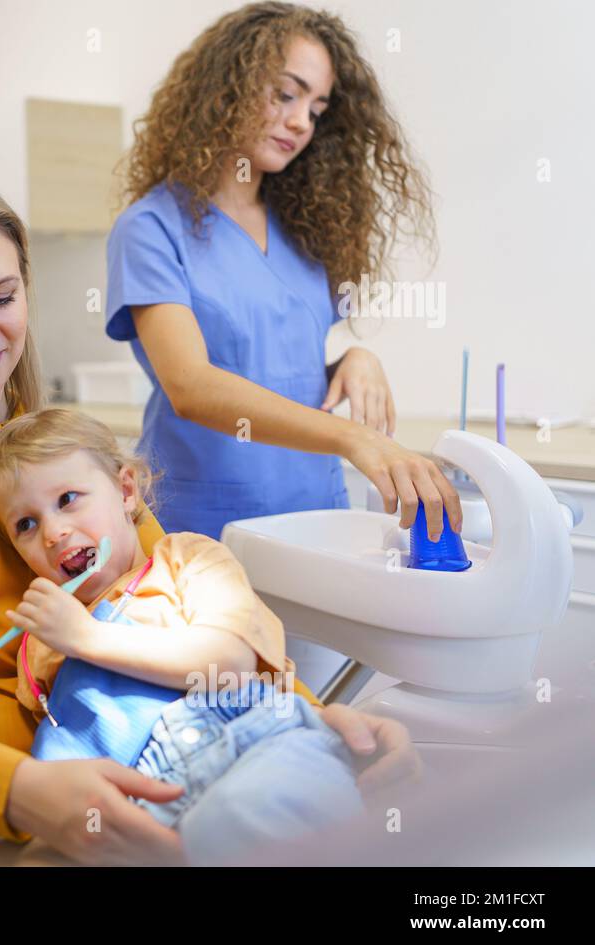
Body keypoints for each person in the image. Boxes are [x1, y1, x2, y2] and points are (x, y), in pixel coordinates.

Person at [0, 170, 419, 867]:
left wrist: (313, 714)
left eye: (2, 297)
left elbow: (188, 600)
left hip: (145, 771)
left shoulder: (64, 455)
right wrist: (20, 788)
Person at [108, 1, 462, 542]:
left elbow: (277, 363)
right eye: (285, 93)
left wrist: (354, 357)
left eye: (317, 109)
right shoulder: (151, 228)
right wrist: (352, 438)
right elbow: (192, 385)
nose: (301, 122)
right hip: (208, 524)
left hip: (316, 511)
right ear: (227, 86)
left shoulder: (306, 227)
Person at [0, 407, 364, 865]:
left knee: (233, 822)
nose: (53, 532)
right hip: (145, 803)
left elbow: (229, 664)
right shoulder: (40, 641)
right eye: (25, 524)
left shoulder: (186, 559)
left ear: (126, 491)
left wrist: (87, 638)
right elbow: (62, 745)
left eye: (67, 499)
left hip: (253, 745)